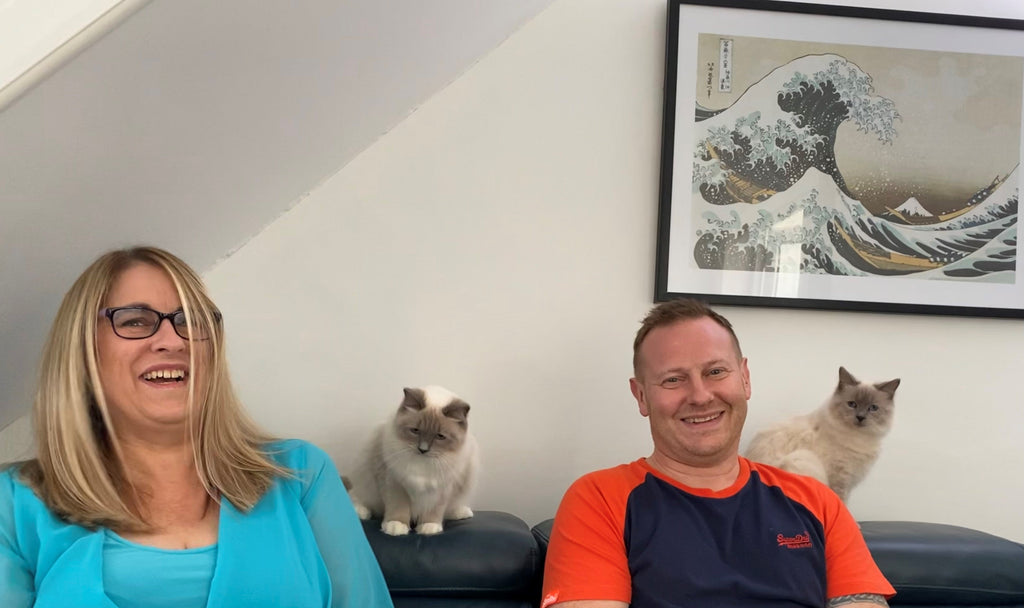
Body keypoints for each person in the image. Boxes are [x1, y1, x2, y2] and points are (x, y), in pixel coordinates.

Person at [0, 246, 393, 608]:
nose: (172, 341)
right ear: (83, 350)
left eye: (190, 321)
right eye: (135, 321)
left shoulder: (302, 475)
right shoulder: (15, 503)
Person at [540, 299, 895, 608]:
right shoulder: (599, 500)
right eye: (673, 379)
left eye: (715, 371)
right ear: (642, 396)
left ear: (745, 378)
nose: (700, 395)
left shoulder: (819, 502)